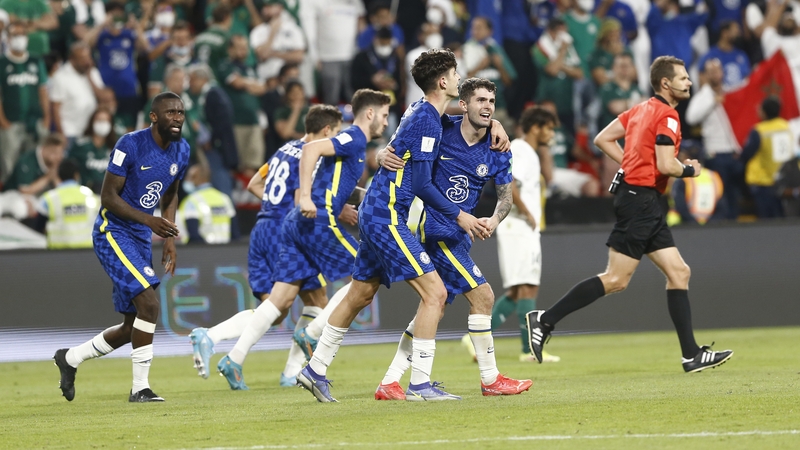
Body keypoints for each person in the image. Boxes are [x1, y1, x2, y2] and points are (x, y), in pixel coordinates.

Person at [296, 49, 504, 403]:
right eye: (455, 74)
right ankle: (420, 384)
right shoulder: (426, 118)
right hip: (388, 214)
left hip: (375, 210)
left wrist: (495, 124)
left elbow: (405, 145)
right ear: (443, 81)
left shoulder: (422, 112)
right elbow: (422, 184)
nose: (458, 79)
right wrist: (460, 215)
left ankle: (314, 370)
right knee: (435, 294)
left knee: (360, 293)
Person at [525, 56, 734, 373]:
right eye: (683, 78)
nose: (689, 82)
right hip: (641, 201)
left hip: (638, 197)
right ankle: (545, 319)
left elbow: (602, 139)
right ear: (666, 83)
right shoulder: (669, 116)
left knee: (679, 272)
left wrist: (631, 164)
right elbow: (666, 165)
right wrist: (690, 169)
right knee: (616, 279)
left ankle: (691, 354)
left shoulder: (640, 109)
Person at [215, 90, 391, 391]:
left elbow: (330, 177)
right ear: (370, 114)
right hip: (317, 219)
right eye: (385, 116)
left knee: (281, 298)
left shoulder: (355, 143)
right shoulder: (355, 137)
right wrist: (309, 197)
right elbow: (310, 152)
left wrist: (342, 204)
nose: (386, 123)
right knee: (369, 271)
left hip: (296, 222)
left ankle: (234, 358)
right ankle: (312, 333)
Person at [373, 78, 532, 400]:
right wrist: (380, 153)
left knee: (434, 305)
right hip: (433, 228)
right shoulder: (441, 127)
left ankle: (390, 381)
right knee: (483, 295)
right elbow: (404, 133)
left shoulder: (498, 147)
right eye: (480, 101)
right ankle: (489, 379)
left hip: (457, 233)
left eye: (491, 101)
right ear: (464, 105)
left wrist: (494, 219)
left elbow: (505, 197)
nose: (487, 106)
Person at [188, 104, 352, 387]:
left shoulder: (284, 149)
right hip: (287, 233)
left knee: (287, 307)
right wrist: (334, 212)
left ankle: (283, 370)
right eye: (336, 132)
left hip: (263, 227)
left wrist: (276, 206)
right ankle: (283, 368)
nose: (336, 138)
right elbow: (304, 201)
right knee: (300, 303)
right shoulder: (310, 157)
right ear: (327, 130)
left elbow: (254, 184)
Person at [52, 92, 190, 402]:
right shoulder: (130, 144)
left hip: (141, 235)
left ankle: (70, 358)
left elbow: (170, 195)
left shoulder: (182, 150)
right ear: (154, 117)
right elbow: (108, 197)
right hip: (112, 230)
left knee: (133, 325)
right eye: (170, 112)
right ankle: (140, 388)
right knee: (151, 306)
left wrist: (168, 237)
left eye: (181, 112)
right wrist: (150, 221)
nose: (177, 117)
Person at [487, 105, 562, 364]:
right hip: (518, 226)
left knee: (521, 290)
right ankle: (527, 348)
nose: (552, 134)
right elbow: (509, 184)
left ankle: (478, 337)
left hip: (521, 228)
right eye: (549, 128)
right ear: (535, 128)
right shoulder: (520, 149)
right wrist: (529, 213)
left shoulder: (530, 151)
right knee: (527, 287)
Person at [684, 58, 742, 220]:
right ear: (705, 75)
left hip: (733, 152)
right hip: (715, 153)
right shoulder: (702, 97)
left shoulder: (730, 92)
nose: (715, 74)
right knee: (720, 193)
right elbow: (691, 118)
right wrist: (712, 102)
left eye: (717, 70)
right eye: (711, 72)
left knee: (734, 194)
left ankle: (738, 228)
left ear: (722, 73)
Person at [0, 21, 50, 183]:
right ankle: (8, 196)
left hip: (35, 122)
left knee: (34, 161)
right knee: (9, 163)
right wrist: (4, 122)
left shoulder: (35, 61)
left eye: (22, 34)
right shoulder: (2, 63)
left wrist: (47, 119)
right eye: (15, 34)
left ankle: (32, 196)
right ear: (7, 38)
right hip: (11, 122)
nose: (19, 38)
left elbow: (43, 91)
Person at [740, 96, 792, 218]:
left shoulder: (759, 130)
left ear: (764, 112)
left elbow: (747, 154)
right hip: (783, 181)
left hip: (763, 182)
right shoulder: (786, 126)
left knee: (766, 221)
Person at [37, 159, 99, 249]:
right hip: (87, 252)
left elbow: (38, 225)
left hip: (58, 253)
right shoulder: (89, 195)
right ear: (77, 175)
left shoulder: (49, 198)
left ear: (58, 176)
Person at [177, 164, 238, 244]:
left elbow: (194, 235)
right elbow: (235, 233)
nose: (186, 180)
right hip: (225, 252)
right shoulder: (224, 198)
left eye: (190, 177)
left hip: (202, 253)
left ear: (198, 178)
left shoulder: (191, 201)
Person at [69, 107, 115, 194]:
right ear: (92, 122)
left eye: (106, 120)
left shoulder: (115, 147)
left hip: (108, 193)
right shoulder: (81, 145)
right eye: (99, 120)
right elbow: (70, 168)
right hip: (85, 192)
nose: (102, 124)